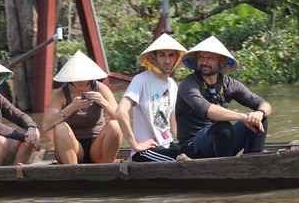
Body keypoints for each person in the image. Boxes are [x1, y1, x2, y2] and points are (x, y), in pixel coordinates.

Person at [175, 36, 272, 159]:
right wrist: (243, 117)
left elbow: (263, 103)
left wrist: (260, 113)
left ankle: (254, 161)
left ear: (221, 61)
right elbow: (206, 109)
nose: (204, 62)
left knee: (260, 121)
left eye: (210, 58)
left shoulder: (229, 83)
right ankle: (225, 168)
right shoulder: (189, 84)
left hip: (221, 142)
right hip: (193, 146)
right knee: (223, 127)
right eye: (201, 58)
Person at [42, 51, 122, 164]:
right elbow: (46, 125)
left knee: (115, 125)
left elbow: (121, 118)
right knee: (60, 127)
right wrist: (71, 108)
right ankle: (73, 172)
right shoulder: (61, 94)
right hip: (72, 146)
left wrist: (103, 102)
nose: (80, 81)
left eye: (84, 77)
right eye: (76, 78)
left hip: (97, 146)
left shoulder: (100, 88)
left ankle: (108, 168)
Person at [116, 33, 186, 162]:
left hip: (167, 145)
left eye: (171, 55)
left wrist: (186, 142)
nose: (167, 60)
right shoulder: (141, 80)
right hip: (146, 151)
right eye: (162, 55)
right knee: (180, 161)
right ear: (154, 57)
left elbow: (174, 120)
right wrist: (135, 145)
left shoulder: (172, 85)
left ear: (177, 58)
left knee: (195, 152)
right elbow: (120, 113)